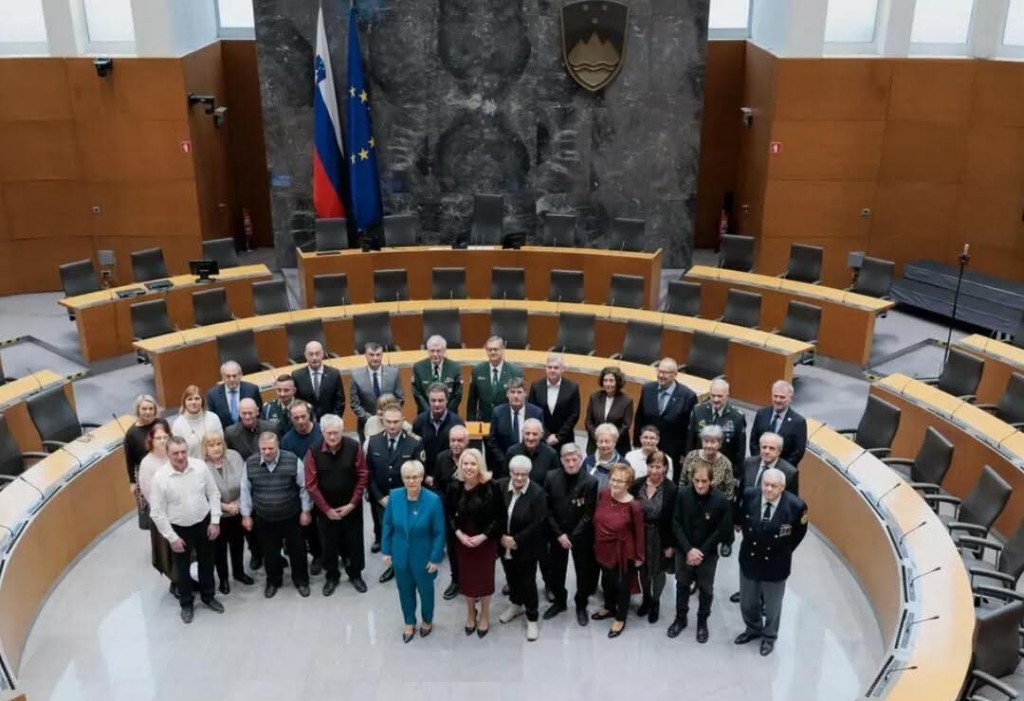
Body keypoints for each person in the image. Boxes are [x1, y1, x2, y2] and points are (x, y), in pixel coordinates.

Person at [148, 436, 224, 624]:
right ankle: (186, 604)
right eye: (175, 453)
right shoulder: (160, 478)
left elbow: (213, 494)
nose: (181, 457)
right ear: (167, 454)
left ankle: (208, 596)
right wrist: (172, 538)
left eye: (183, 452)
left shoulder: (200, 467)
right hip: (179, 528)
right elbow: (157, 513)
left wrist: (215, 521)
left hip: (203, 522)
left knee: (207, 562)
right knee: (182, 569)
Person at [734, 467, 808, 656]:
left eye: (773, 486)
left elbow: (798, 534)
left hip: (776, 564)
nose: (768, 489)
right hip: (750, 559)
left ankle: (769, 637)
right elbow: (741, 517)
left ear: (782, 487)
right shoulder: (750, 495)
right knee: (747, 602)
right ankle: (753, 629)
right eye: (766, 484)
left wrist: (784, 551)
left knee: (773, 607)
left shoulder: (796, 506)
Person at [240, 432, 314, 599]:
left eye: (271, 448)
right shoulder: (250, 464)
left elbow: (304, 488)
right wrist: (246, 515)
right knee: (270, 553)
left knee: (297, 551)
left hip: (291, 516)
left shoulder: (293, 460)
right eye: (263, 449)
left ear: (278, 446)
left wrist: (306, 510)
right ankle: (273, 581)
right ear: (259, 448)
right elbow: (245, 491)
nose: (267, 452)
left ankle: (301, 581)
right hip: (265, 518)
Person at [729, 431, 799, 604]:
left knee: (767, 562)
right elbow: (741, 494)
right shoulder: (749, 463)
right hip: (751, 522)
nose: (766, 451)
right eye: (764, 447)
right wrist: (738, 519)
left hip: (773, 526)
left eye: (771, 448)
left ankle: (764, 598)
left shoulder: (789, 472)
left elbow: (792, 504)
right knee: (749, 558)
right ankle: (748, 591)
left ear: (779, 451)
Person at [381, 460, 446, 643]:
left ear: (422, 478)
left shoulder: (433, 501)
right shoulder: (394, 497)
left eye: (415, 477)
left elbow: (439, 532)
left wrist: (435, 558)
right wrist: (386, 550)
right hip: (400, 556)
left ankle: (427, 620)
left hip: (423, 557)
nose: (411, 481)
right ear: (402, 479)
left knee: (426, 593)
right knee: (404, 592)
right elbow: (387, 524)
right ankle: (409, 621)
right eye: (407, 477)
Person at [305, 414, 369, 595]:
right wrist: (326, 509)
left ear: (342, 431)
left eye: (336, 433)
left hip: (351, 507)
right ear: (322, 432)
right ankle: (332, 576)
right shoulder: (313, 451)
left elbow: (363, 475)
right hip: (326, 509)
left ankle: (355, 574)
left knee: (354, 542)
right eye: (329, 433)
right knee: (329, 544)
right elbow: (311, 484)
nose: (333, 437)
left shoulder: (354, 446)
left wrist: (352, 503)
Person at [668, 462, 732, 642]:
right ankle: (680, 619)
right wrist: (688, 550)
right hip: (684, 549)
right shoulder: (682, 494)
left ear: (712, 480)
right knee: (681, 586)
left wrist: (700, 552)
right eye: (696, 480)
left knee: (706, 590)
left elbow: (721, 530)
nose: (700, 485)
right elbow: (676, 523)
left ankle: (702, 622)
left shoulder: (721, 500)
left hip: (707, 553)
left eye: (704, 481)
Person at [447, 448, 503, 635]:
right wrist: (459, 534)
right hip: (463, 541)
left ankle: (485, 614)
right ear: (460, 465)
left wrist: (483, 536)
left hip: (485, 542)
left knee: (484, 580)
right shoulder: (454, 486)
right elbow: (449, 514)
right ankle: (471, 612)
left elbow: (499, 518)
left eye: (473, 463)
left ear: (480, 465)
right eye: (465, 463)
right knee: (467, 580)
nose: (469, 467)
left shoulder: (492, 485)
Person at [542, 443, 599, 626]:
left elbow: (589, 513)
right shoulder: (551, 477)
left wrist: (572, 536)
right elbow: (547, 509)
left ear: (581, 460)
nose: (571, 463)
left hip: (580, 536)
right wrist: (559, 535)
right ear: (561, 461)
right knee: (556, 570)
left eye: (575, 460)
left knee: (583, 572)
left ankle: (581, 605)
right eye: (567, 460)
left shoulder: (590, 481)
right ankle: (559, 602)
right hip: (557, 534)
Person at [367, 405, 425, 577]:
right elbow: (368, 474)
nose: (392, 426)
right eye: (388, 422)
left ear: (403, 420)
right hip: (383, 499)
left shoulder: (415, 442)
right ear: (382, 421)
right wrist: (379, 498)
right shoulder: (373, 441)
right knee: (390, 534)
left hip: (408, 499)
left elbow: (420, 473)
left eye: (396, 422)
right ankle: (394, 566)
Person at [497, 455, 548, 642]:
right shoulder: (501, 486)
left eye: (523, 475)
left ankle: (532, 617)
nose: (519, 478)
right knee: (511, 577)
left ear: (529, 474)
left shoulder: (537, 493)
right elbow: (495, 513)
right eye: (515, 474)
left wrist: (516, 540)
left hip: (526, 547)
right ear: (510, 473)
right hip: (503, 545)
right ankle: (516, 604)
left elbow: (538, 523)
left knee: (527, 582)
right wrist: (501, 537)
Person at [592, 463, 644, 638]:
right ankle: (608, 607)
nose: (615, 484)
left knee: (623, 586)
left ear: (628, 483)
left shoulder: (634, 505)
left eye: (620, 481)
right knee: (606, 581)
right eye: (613, 479)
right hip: (603, 548)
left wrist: (639, 556)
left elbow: (639, 532)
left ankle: (620, 618)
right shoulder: (603, 494)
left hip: (623, 552)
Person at [224, 398, 276, 571]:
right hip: (245, 483)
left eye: (250, 413)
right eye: (243, 413)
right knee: (249, 523)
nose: (247, 416)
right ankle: (255, 553)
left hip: (269, 481)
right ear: (239, 414)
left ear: (257, 411)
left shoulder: (270, 428)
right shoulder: (231, 433)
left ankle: (275, 553)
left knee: (269, 523)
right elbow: (230, 458)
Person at [201, 432, 254, 594]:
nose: (216, 448)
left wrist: (239, 501)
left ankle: (239, 573)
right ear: (205, 448)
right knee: (219, 549)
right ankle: (223, 579)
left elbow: (246, 480)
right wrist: (225, 507)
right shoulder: (200, 466)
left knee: (238, 544)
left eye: (218, 444)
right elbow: (202, 494)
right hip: (217, 516)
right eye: (211, 445)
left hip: (238, 510)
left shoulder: (234, 456)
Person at [629, 450, 677, 624]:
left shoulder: (672, 489)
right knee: (643, 569)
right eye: (651, 466)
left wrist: (670, 545)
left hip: (660, 536)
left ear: (665, 468)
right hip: (640, 534)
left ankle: (656, 601)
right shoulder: (637, 484)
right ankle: (646, 598)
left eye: (658, 467)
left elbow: (674, 519)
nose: (654, 470)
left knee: (658, 571)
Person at [633, 357, 697, 470]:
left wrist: (686, 454)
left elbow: (689, 430)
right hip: (648, 448)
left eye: (666, 373)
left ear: (675, 374)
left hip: (672, 452)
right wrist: (637, 444)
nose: (661, 376)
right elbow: (640, 417)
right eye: (659, 371)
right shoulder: (647, 389)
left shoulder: (688, 396)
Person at [138, 419, 178, 593]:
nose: (162, 441)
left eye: (165, 437)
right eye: (158, 438)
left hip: (180, 511)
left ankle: (188, 580)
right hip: (163, 516)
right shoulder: (147, 463)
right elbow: (149, 495)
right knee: (169, 552)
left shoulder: (174, 455)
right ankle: (176, 583)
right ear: (151, 440)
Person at [686, 377, 747, 478]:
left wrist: (736, 476)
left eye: (720, 396)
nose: (715, 399)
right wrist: (689, 465)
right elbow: (690, 442)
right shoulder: (698, 410)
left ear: (727, 396)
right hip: (699, 468)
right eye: (713, 395)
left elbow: (740, 451)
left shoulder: (737, 417)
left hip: (723, 471)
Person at [436, 425, 469, 600]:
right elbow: (437, 486)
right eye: (453, 440)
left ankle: (470, 581)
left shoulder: (473, 458)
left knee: (470, 550)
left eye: (460, 440)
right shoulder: (442, 458)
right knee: (453, 549)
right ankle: (456, 580)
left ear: (467, 442)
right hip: (449, 514)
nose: (456, 444)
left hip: (471, 514)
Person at [485, 377, 543, 477]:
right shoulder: (497, 412)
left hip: (530, 464)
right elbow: (492, 440)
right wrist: (505, 460)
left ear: (525, 394)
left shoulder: (536, 413)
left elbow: (540, 440)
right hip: (504, 465)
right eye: (512, 392)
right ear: (507, 394)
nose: (516, 396)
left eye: (519, 392)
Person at [527, 353, 580, 451]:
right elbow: (532, 412)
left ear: (562, 369)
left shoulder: (572, 387)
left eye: (556, 368)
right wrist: (546, 435)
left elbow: (574, 414)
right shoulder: (536, 386)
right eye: (549, 367)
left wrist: (559, 436)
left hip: (565, 438)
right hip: (540, 437)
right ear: (545, 368)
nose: (552, 370)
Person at [350, 342, 404, 438]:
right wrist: (372, 419)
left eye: (378, 355)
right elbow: (355, 403)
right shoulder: (356, 376)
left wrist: (388, 416)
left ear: (382, 355)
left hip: (391, 424)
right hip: (366, 424)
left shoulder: (393, 373)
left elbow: (400, 398)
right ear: (365, 356)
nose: (375, 358)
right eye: (371, 355)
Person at [749, 380, 807, 467]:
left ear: (790, 399)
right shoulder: (761, 414)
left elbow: (798, 452)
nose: (778, 400)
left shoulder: (798, 422)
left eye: (782, 397)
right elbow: (753, 442)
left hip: (782, 472)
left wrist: (778, 467)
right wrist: (761, 462)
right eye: (775, 396)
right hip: (760, 466)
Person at [411, 383, 464, 478]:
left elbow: (461, 453)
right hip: (424, 477)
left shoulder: (457, 422)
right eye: (433, 400)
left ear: (447, 400)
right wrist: (425, 476)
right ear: (428, 400)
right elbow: (415, 451)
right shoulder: (419, 421)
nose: (437, 404)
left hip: (449, 478)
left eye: (440, 400)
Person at [466, 335, 522, 421]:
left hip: (506, 421)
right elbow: (472, 401)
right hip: (484, 421)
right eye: (489, 349)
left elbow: (521, 400)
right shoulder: (478, 370)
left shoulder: (515, 372)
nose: (492, 352)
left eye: (495, 349)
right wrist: (471, 422)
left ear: (502, 350)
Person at [584, 367, 633, 456]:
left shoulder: (627, 400)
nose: (608, 384)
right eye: (605, 380)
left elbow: (625, 426)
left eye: (611, 381)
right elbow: (588, 422)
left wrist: (610, 440)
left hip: (618, 446)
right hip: (595, 444)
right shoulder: (594, 397)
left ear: (617, 382)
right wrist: (598, 438)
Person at [292, 341, 345, 420]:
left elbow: (340, 401)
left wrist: (333, 420)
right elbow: (296, 402)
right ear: (305, 355)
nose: (314, 358)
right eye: (311, 354)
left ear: (322, 354)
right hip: (307, 423)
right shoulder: (297, 376)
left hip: (329, 423)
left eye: (317, 354)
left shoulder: (334, 374)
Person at [411, 335, 462, 414]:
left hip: (449, 415)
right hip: (425, 415)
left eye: (438, 351)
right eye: (432, 351)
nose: (435, 354)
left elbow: (457, 394)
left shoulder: (455, 367)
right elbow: (417, 394)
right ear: (427, 351)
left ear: (444, 350)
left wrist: (445, 413)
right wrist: (430, 413)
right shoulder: (418, 367)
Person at [171, 384, 223, 458]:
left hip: (215, 461)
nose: (194, 402)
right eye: (190, 399)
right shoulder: (178, 424)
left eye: (197, 398)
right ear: (184, 402)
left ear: (202, 400)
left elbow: (221, 443)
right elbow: (178, 453)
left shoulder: (213, 418)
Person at [206, 360, 262, 428]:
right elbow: (212, 420)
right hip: (225, 434)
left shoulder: (252, 390)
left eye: (234, 376)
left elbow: (259, 414)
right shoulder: (213, 395)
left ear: (241, 375)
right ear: (222, 377)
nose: (232, 379)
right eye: (228, 376)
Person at [504, 418, 559, 486]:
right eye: (527, 433)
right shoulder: (512, 452)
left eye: (535, 434)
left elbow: (555, 481)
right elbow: (505, 479)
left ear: (542, 434)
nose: (531, 438)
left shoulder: (551, 454)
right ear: (522, 433)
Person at [125, 394, 160, 495]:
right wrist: (132, 482)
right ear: (138, 410)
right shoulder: (131, 433)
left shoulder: (161, 424)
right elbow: (130, 459)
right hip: (144, 474)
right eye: (144, 409)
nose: (148, 412)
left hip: (163, 468)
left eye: (151, 409)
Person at [582, 423, 622, 489]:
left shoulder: (622, 464)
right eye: (600, 441)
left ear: (614, 443)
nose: (603, 445)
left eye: (607, 442)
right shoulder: (588, 461)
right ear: (596, 443)